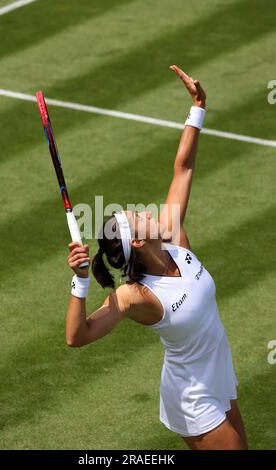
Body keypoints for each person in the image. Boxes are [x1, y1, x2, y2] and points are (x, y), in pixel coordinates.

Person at [65, 65, 248, 450]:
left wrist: (198, 107)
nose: (145, 213)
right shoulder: (136, 296)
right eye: (136, 217)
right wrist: (80, 282)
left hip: (217, 376)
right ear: (135, 241)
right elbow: (76, 337)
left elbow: (182, 167)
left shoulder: (172, 236)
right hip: (192, 398)